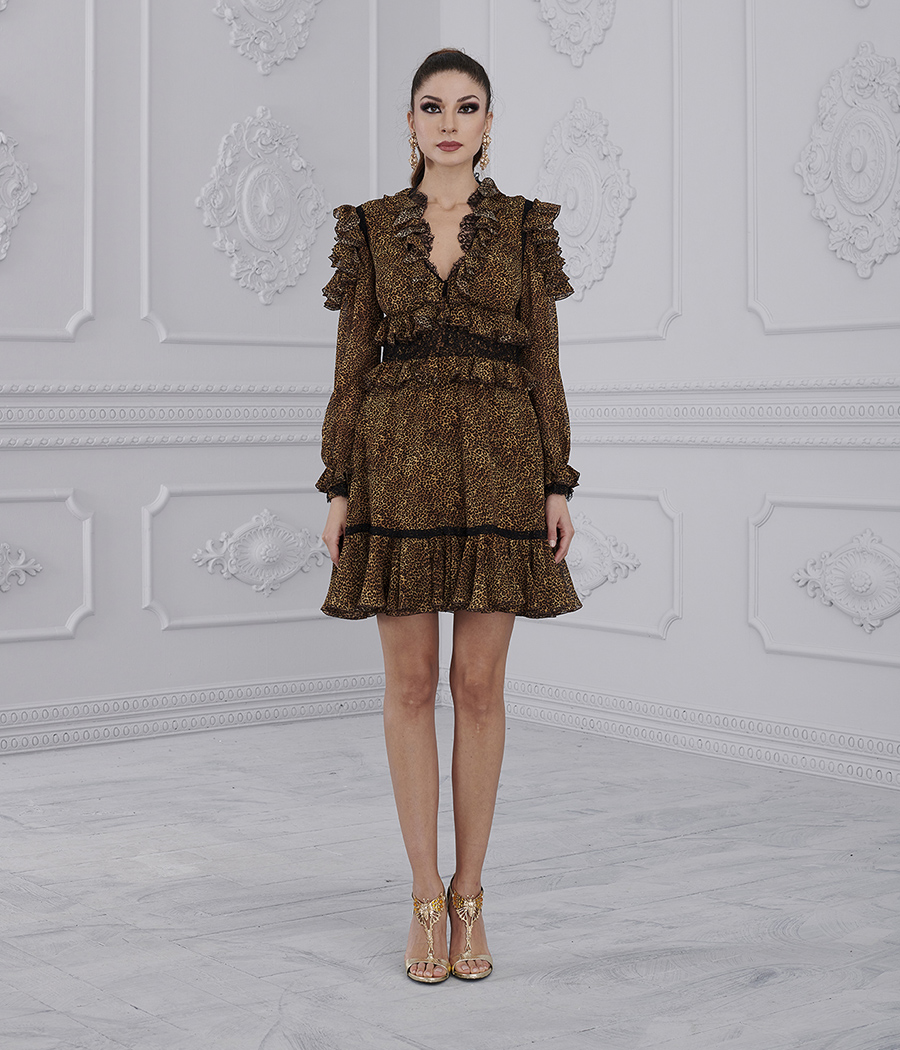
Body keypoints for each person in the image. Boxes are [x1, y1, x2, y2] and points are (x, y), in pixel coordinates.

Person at [317, 48, 581, 983]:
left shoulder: (524, 225)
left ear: (489, 122)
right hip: (394, 466)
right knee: (409, 686)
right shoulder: (368, 227)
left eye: (468, 107)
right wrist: (338, 485)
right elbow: (351, 365)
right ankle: (424, 897)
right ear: (411, 121)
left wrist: (557, 481)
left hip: (502, 464)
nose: (449, 123)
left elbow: (544, 360)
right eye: (432, 107)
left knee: (478, 687)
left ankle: (472, 897)